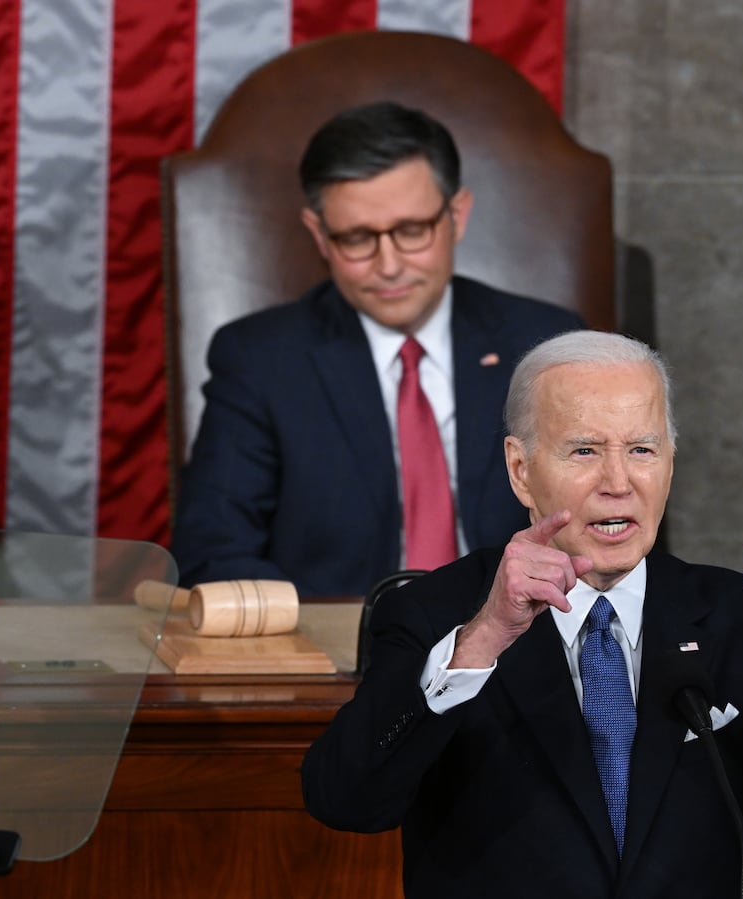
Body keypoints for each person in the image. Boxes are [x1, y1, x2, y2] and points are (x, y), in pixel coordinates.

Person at [301, 330, 743, 899]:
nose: (618, 481)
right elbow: (346, 800)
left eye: (641, 449)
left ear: (669, 463)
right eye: (583, 451)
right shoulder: (436, 613)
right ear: (521, 471)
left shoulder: (738, 617)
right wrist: (485, 637)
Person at [171, 101, 580, 597]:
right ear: (319, 235)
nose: (388, 266)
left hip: (520, 648)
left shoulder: (546, 345)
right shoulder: (260, 358)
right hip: (337, 657)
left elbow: (604, 529)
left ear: (456, 214)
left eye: (411, 232)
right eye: (358, 239)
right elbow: (214, 552)